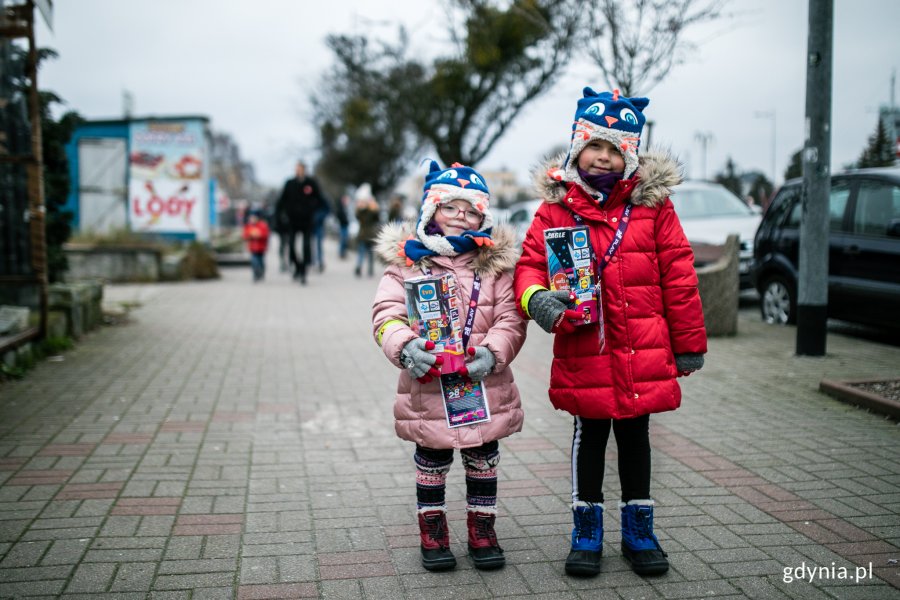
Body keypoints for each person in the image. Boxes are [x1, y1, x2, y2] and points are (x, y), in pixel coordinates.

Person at [513, 88, 707, 578]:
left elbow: (679, 276)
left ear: (629, 154)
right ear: (577, 147)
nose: (603, 156)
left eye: (615, 148)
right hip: (586, 345)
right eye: (594, 145)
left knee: (638, 436)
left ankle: (640, 528)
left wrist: (687, 345)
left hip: (643, 346)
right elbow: (529, 266)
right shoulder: (556, 210)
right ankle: (587, 528)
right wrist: (537, 300)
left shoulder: (653, 207)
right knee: (590, 435)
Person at [371, 160, 527, 572]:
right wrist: (405, 347)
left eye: (471, 210)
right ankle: (433, 529)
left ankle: (482, 528)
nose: (461, 217)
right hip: (429, 384)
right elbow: (385, 314)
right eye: (450, 207)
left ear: (483, 217)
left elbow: (511, 317)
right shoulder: (408, 263)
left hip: (482, 382)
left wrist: (493, 352)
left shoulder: (494, 265)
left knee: (483, 455)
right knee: (432, 458)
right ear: (431, 211)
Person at [275, 161, 327, 284]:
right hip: (293, 221)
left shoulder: (311, 183)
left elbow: (321, 201)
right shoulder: (290, 183)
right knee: (292, 246)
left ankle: (304, 270)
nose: (297, 170)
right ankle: (297, 266)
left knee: (306, 246)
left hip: (307, 221)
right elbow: (281, 201)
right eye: (296, 168)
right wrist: (280, 216)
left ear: (304, 169)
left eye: (299, 168)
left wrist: (315, 214)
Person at [354, 183, 381, 278]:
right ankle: (368, 270)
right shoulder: (367, 211)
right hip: (368, 235)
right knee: (368, 254)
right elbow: (376, 218)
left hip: (364, 234)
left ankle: (361, 267)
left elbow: (376, 218)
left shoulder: (366, 211)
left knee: (364, 253)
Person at [242, 209, 270, 282]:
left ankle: (261, 272)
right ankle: (255, 273)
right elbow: (245, 236)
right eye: (251, 217)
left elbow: (266, 235)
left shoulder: (262, 225)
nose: (252, 219)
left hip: (261, 247)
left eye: (254, 217)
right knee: (254, 261)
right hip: (252, 248)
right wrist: (250, 235)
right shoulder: (248, 226)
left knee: (260, 261)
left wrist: (259, 235)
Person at [312, 193, 332, 273]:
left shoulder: (321, 198)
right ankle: (312, 261)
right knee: (311, 244)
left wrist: (320, 217)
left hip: (319, 224)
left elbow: (328, 209)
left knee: (318, 244)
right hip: (309, 225)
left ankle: (319, 262)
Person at [335, 193, 351, 259]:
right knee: (343, 240)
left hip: (345, 225)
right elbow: (339, 215)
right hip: (343, 225)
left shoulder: (345, 207)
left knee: (344, 239)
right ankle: (341, 253)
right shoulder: (341, 207)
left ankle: (343, 252)